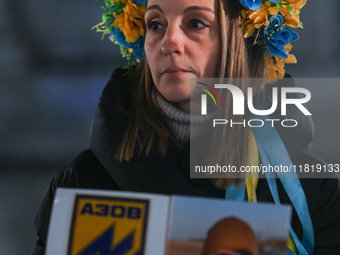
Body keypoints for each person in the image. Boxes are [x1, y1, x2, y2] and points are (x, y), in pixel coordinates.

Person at [33, 0, 340, 254]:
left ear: (242, 40)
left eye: (195, 23)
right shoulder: (80, 185)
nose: (169, 43)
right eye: (155, 24)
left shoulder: (314, 190)